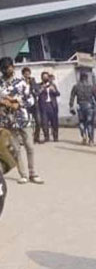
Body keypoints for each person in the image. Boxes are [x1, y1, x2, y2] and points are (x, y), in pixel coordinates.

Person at [0, 57, 43, 185]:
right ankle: (23, 174)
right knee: (16, 149)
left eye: (8, 67)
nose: (6, 70)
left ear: (13, 67)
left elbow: (31, 100)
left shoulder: (21, 82)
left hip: (23, 119)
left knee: (30, 146)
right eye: (3, 68)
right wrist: (4, 103)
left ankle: (33, 173)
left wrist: (19, 104)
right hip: (8, 121)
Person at [70, 72, 96, 146]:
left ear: (80, 78)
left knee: (81, 122)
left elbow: (72, 97)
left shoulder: (76, 86)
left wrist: (71, 106)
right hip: (89, 106)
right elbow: (95, 96)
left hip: (80, 105)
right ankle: (91, 140)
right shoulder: (91, 86)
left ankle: (84, 135)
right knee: (90, 123)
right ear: (87, 78)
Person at [37, 72, 60, 142]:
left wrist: (54, 90)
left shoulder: (53, 85)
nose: (45, 78)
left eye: (46, 77)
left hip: (52, 105)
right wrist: (41, 89)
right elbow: (36, 94)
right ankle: (46, 137)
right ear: (41, 78)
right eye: (44, 77)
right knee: (44, 122)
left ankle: (55, 137)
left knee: (54, 122)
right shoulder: (39, 85)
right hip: (43, 106)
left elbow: (58, 94)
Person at [21, 68, 41, 144]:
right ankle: (26, 139)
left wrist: (34, 93)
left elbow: (38, 91)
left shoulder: (33, 81)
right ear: (23, 74)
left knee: (38, 121)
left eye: (28, 73)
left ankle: (36, 137)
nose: (27, 75)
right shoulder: (20, 82)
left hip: (34, 104)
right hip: (25, 105)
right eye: (25, 73)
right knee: (26, 122)